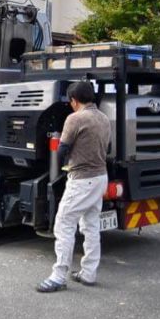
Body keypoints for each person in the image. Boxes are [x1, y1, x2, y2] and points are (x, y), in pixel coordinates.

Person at [37, 80, 111, 293]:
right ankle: (88, 273)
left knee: (64, 224)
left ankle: (58, 276)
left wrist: (58, 170)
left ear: (74, 100)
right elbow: (109, 146)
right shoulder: (104, 118)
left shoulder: (75, 119)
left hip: (82, 179)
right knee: (90, 225)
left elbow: (62, 149)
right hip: (100, 177)